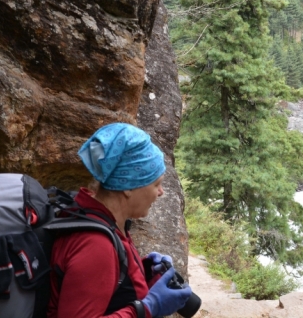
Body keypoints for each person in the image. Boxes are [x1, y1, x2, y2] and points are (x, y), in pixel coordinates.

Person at [47, 123, 193, 318]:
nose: (161, 192)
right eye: (156, 184)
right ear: (129, 187)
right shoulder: (95, 244)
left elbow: (103, 285)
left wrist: (144, 272)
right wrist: (149, 308)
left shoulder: (102, 220)